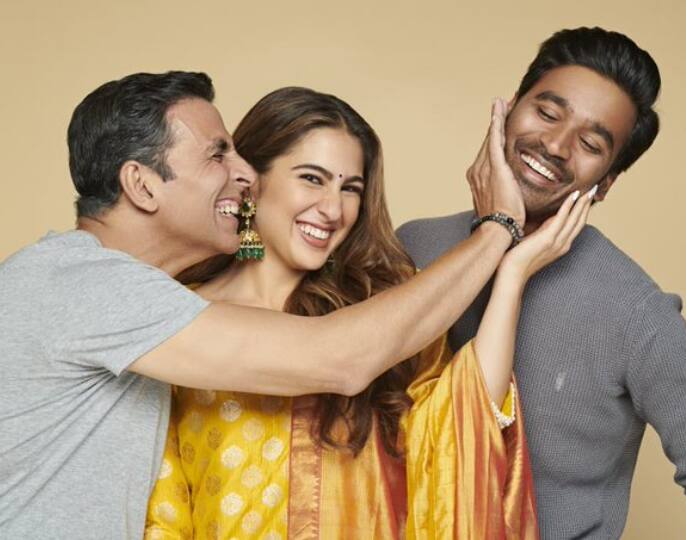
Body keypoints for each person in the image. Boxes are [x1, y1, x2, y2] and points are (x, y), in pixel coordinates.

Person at [0, 70, 537, 538]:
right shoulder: (90, 289)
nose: (243, 174)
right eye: (218, 154)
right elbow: (341, 358)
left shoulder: (149, 308)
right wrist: (497, 229)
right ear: (140, 184)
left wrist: (509, 275)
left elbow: (454, 433)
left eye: (350, 187)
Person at [144, 86, 593, 539]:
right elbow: (162, 509)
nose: (332, 209)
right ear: (250, 178)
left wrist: (512, 274)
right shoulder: (181, 318)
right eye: (312, 178)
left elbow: (462, 424)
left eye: (350, 189)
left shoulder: (378, 312)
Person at [397, 27, 686, 540]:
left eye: (590, 144)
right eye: (547, 113)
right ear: (508, 110)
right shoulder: (412, 247)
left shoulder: (636, 314)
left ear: (605, 183)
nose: (554, 145)